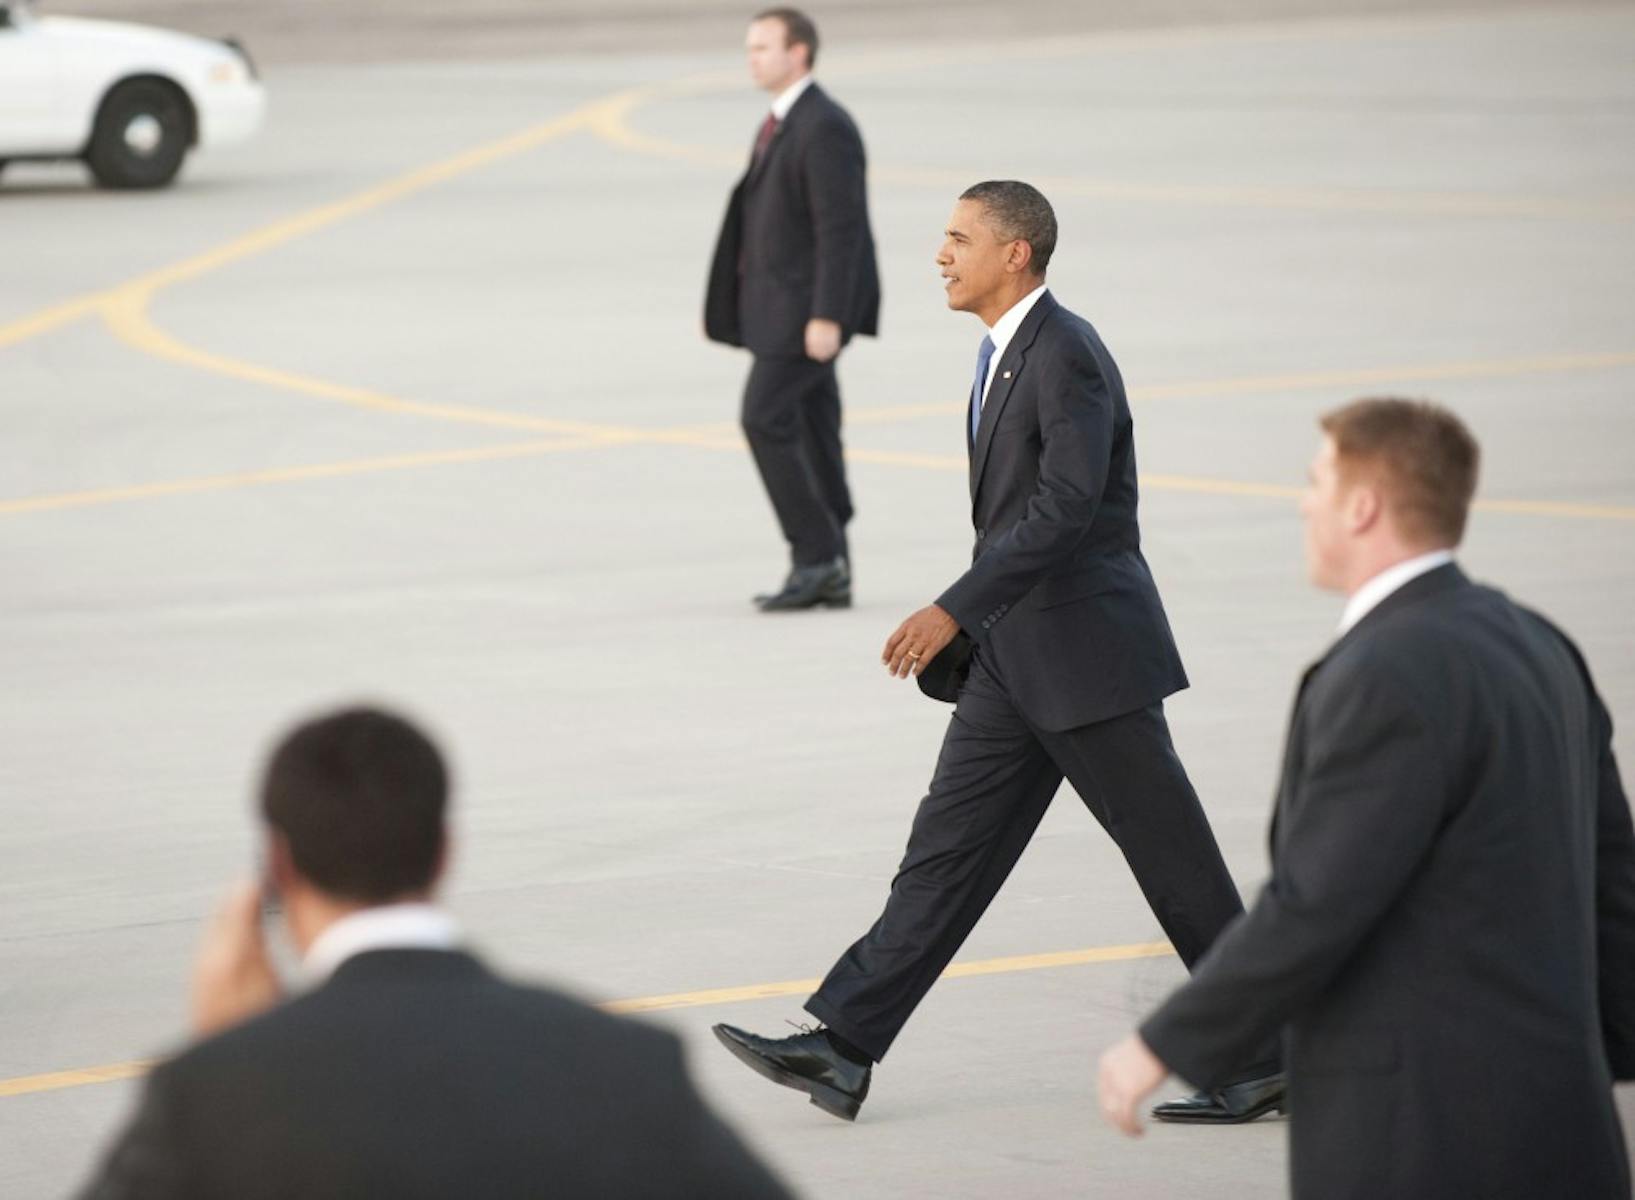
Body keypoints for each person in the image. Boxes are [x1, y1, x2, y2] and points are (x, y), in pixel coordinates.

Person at [713, 181, 1281, 1122]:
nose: (940, 255)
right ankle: (842, 1046)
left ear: (1015, 253)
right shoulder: (1002, 356)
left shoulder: (1066, 354)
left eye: (958, 238)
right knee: (944, 854)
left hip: (1088, 659)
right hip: (1016, 660)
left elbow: (1067, 508)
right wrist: (978, 622)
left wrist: (953, 608)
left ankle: (1263, 1053)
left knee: (1173, 863)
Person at [1098, 399, 1635, 1199]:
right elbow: (1612, 879)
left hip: (1427, 1138)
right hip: (1562, 1126)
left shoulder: (1384, 671)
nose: (1303, 504)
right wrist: (1603, 1051)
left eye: (1316, 481)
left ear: (1363, 507)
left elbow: (1316, 901)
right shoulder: (1539, 643)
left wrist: (1164, 1043)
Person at [78, 706, 791, 1200]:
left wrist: (234, 1058)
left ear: (279, 868)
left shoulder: (212, 1094)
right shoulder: (623, 1060)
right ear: (445, 851)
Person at [704, 7, 880, 612]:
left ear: (798, 52)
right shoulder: (783, 122)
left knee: (764, 417)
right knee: (814, 430)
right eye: (749, 48)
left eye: (762, 47)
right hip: (780, 312)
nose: (751, 58)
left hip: (804, 316)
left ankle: (817, 556)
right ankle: (836, 565)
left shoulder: (823, 126)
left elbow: (841, 228)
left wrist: (828, 315)